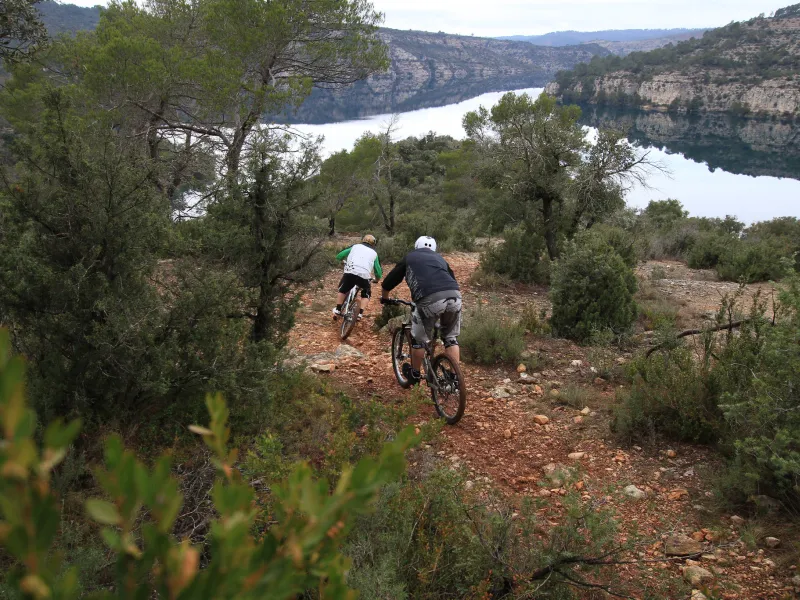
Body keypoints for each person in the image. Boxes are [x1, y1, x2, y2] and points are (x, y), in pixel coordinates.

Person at [381, 236, 461, 384]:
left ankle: (415, 375)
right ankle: (454, 379)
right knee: (450, 338)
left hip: (429, 298)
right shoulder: (440, 259)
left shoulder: (410, 257)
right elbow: (452, 279)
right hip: (455, 296)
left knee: (419, 340)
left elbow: (390, 280)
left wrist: (385, 297)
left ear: (416, 246)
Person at [333, 234, 382, 321]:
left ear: (363, 240)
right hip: (364, 276)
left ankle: (338, 309)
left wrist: (340, 262)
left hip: (350, 272)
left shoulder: (355, 247)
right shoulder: (374, 254)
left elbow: (339, 256)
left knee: (343, 290)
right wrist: (377, 280)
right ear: (373, 244)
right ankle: (360, 314)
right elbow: (378, 271)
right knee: (366, 294)